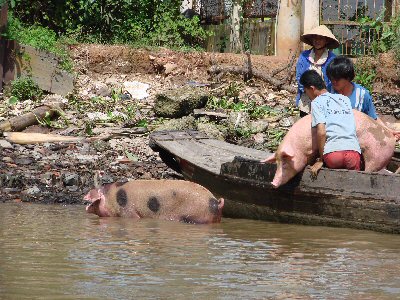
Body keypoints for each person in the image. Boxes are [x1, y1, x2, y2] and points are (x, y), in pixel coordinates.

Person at [299, 70, 362, 177]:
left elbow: (321, 132)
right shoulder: (344, 99)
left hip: (333, 154)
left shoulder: (317, 103)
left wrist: (321, 159)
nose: (307, 95)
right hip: (353, 153)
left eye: (306, 91)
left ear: (312, 88)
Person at [327, 55, 400, 140]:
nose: (333, 82)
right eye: (331, 78)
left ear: (348, 78)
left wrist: (389, 131)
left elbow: (373, 118)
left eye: (337, 79)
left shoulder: (362, 95)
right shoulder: (328, 91)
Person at [295, 25, 339, 117]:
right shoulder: (304, 56)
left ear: (326, 40)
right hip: (306, 100)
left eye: (320, 38)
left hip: (325, 99)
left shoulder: (332, 59)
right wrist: (309, 92)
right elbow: (299, 77)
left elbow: (334, 80)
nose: (317, 41)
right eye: (315, 38)